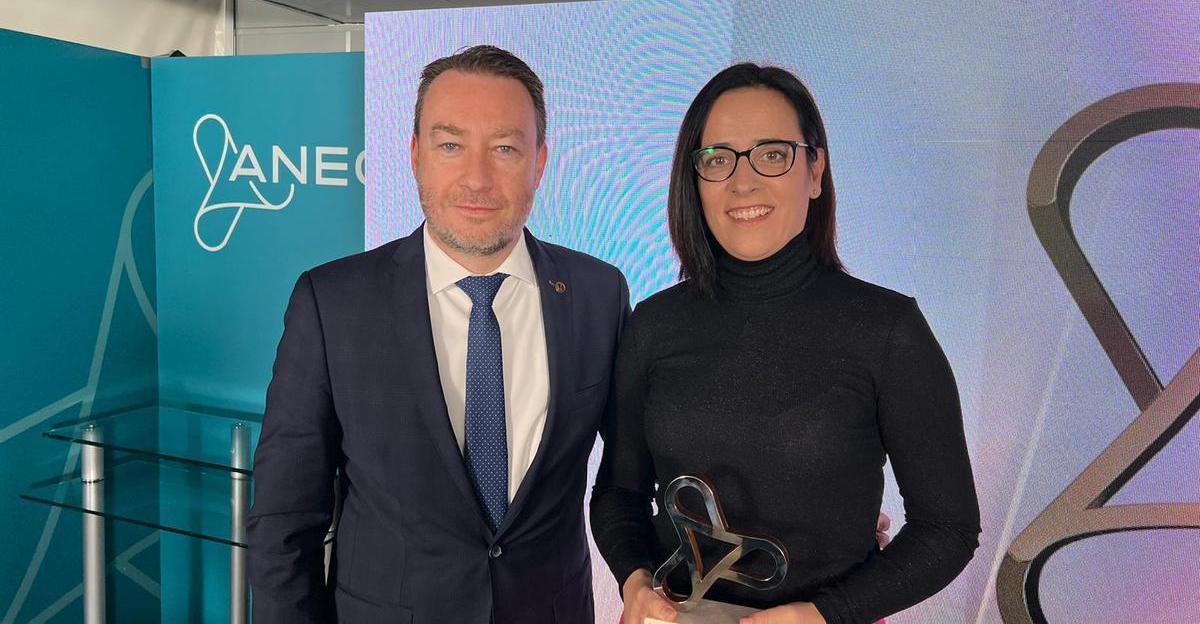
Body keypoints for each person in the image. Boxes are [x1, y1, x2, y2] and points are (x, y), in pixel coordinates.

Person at [247, 45, 630, 623]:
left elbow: (628, 477)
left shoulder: (598, 295)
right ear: (415, 155)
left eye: (505, 148)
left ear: (540, 162)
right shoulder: (332, 303)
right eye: (451, 145)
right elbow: (284, 520)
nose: (477, 178)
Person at [590, 63, 981, 624]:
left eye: (772, 154)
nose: (742, 182)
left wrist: (826, 614)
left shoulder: (888, 330)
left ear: (815, 171)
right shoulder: (652, 326)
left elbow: (948, 530)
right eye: (718, 159)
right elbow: (619, 495)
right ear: (694, 180)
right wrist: (633, 580)